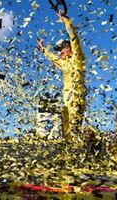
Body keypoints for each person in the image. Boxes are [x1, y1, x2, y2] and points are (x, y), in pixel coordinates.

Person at [37, 11, 86, 141]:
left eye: (60, 49)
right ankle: (70, 151)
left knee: (75, 129)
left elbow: (74, 38)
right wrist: (43, 50)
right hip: (66, 101)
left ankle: (82, 149)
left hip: (76, 98)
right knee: (66, 132)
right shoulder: (64, 63)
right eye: (58, 50)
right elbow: (54, 59)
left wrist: (66, 21)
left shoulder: (77, 57)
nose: (59, 52)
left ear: (68, 48)